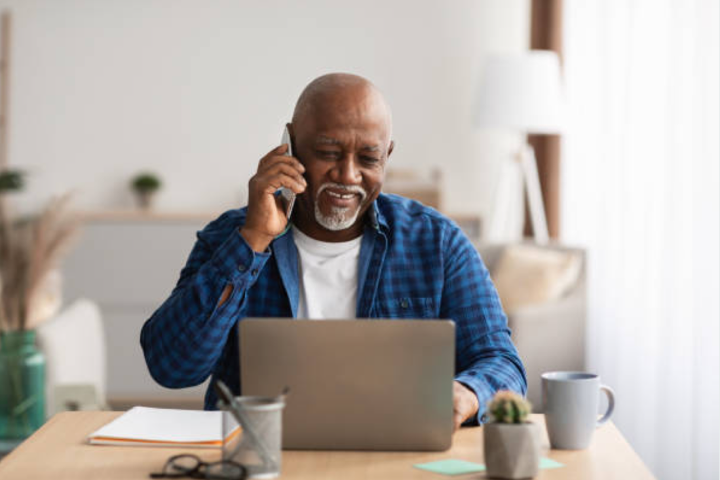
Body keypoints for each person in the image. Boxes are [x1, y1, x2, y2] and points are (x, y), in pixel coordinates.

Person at [140, 73, 526, 429]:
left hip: (391, 458)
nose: (348, 175)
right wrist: (253, 239)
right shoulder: (230, 237)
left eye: (369, 158)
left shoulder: (437, 243)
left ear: (387, 156)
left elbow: (502, 363)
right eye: (328, 152)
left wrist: (469, 392)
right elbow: (172, 368)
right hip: (259, 457)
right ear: (289, 146)